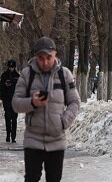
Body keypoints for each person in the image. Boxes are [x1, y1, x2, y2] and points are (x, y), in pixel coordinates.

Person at [12, 37, 81, 182]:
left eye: (48, 58)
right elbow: (15, 103)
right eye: (40, 58)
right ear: (35, 56)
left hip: (57, 141)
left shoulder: (65, 74)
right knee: (31, 179)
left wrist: (63, 122)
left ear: (55, 54)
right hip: (33, 140)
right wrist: (32, 102)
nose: (45, 62)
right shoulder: (27, 74)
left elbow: (74, 101)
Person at [1, 59, 20, 143]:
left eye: (12, 67)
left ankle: (13, 137)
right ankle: (8, 134)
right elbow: (0, 88)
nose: (11, 68)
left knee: (14, 119)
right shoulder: (4, 75)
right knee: (8, 117)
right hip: (7, 99)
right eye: (10, 67)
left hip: (15, 100)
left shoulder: (18, 76)